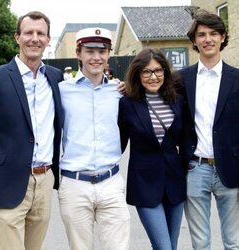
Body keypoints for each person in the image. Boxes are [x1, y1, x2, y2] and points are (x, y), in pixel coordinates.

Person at [0, 11, 63, 250]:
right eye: (28, 33)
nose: (34, 38)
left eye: (40, 33)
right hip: (4, 182)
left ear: (48, 39)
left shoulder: (56, 78)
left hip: (43, 181)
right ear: (17, 37)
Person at [58, 27, 130, 250]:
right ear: (78, 53)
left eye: (102, 51)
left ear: (108, 54)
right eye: (89, 51)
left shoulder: (120, 92)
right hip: (74, 184)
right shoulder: (61, 90)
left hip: (111, 182)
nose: (96, 57)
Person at [179, 9, 239, 249]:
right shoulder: (181, 79)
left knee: (233, 241)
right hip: (195, 169)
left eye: (214, 33)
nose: (208, 39)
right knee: (201, 243)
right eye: (201, 34)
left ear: (223, 37)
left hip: (231, 170)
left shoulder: (237, 78)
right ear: (194, 41)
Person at [118, 48, 186, 250]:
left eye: (158, 71)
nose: (153, 76)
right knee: (163, 246)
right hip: (145, 184)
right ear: (138, 74)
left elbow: (186, 139)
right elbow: (118, 143)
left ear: (165, 72)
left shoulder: (178, 101)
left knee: (171, 246)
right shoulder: (127, 104)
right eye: (146, 72)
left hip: (174, 181)